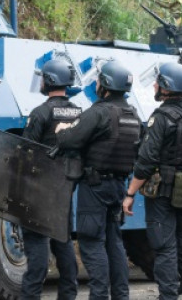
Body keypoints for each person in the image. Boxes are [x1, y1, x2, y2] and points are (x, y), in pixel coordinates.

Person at [55, 60, 140, 300]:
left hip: (95, 187)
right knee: (114, 244)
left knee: (92, 244)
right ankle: (121, 296)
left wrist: (63, 130)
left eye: (100, 80)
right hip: (118, 188)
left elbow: (70, 140)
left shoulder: (99, 111)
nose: (97, 84)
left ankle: (99, 296)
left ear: (106, 85)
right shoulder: (132, 115)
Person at [123, 61, 182, 300]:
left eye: (158, 82)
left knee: (164, 247)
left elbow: (147, 159)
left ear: (167, 86)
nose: (155, 85)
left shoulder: (161, 117)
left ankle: (168, 296)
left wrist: (130, 193)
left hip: (163, 191)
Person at [20, 58, 80, 300]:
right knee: (63, 244)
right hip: (64, 189)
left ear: (49, 80)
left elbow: (26, 152)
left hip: (38, 190)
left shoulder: (40, 113)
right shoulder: (79, 113)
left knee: (36, 248)